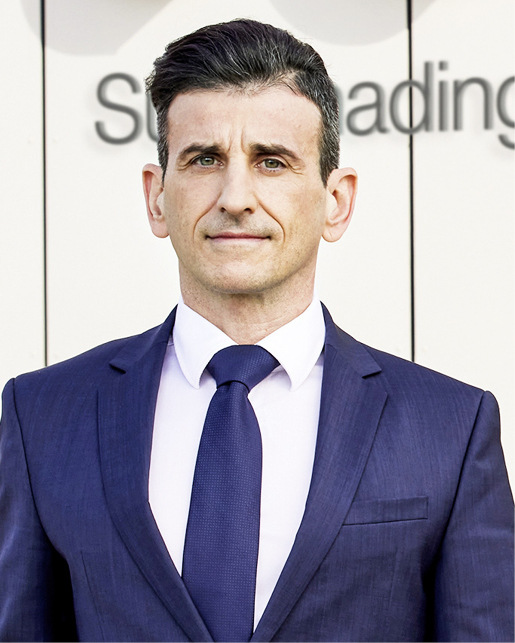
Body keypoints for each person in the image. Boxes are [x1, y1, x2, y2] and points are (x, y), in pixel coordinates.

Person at [0, 18, 513, 643]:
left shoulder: (451, 428)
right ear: (157, 197)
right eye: (204, 159)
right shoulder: (43, 415)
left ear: (336, 201)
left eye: (272, 162)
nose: (236, 196)